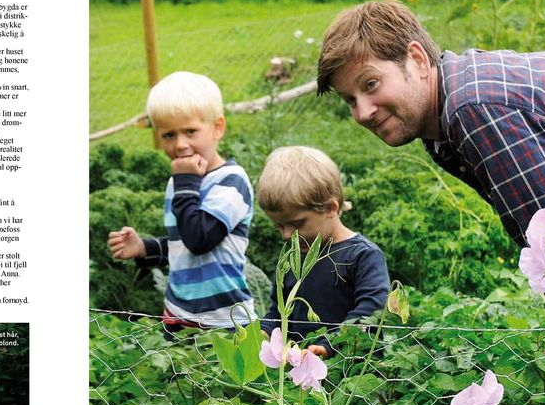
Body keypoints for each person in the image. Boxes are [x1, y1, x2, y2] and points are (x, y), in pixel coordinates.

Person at [317, 0, 545, 256]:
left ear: (417, 60)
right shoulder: (446, 113)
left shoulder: (472, 109)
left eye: (371, 84)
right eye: (350, 100)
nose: (363, 112)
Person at [108, 71, 256, 329]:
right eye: (168, 135)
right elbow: (183, 245)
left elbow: (200, 239)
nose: (180, 144)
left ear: (218, 128)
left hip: (224, 321)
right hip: (177, 313)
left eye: (190, 131)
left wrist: (186, 184)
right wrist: (146, 248)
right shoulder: (179, 182)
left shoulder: (231, 181)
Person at [257, 146, 390, 356]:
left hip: (352, 371)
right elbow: (278, 311)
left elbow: (371, 311)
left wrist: (330, 345)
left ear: (330, 208)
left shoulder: (361, 255)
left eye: (296, 224)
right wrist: (263, 331)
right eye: (279, 226)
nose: (286, 235)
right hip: (299, 369)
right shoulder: (292, 255)